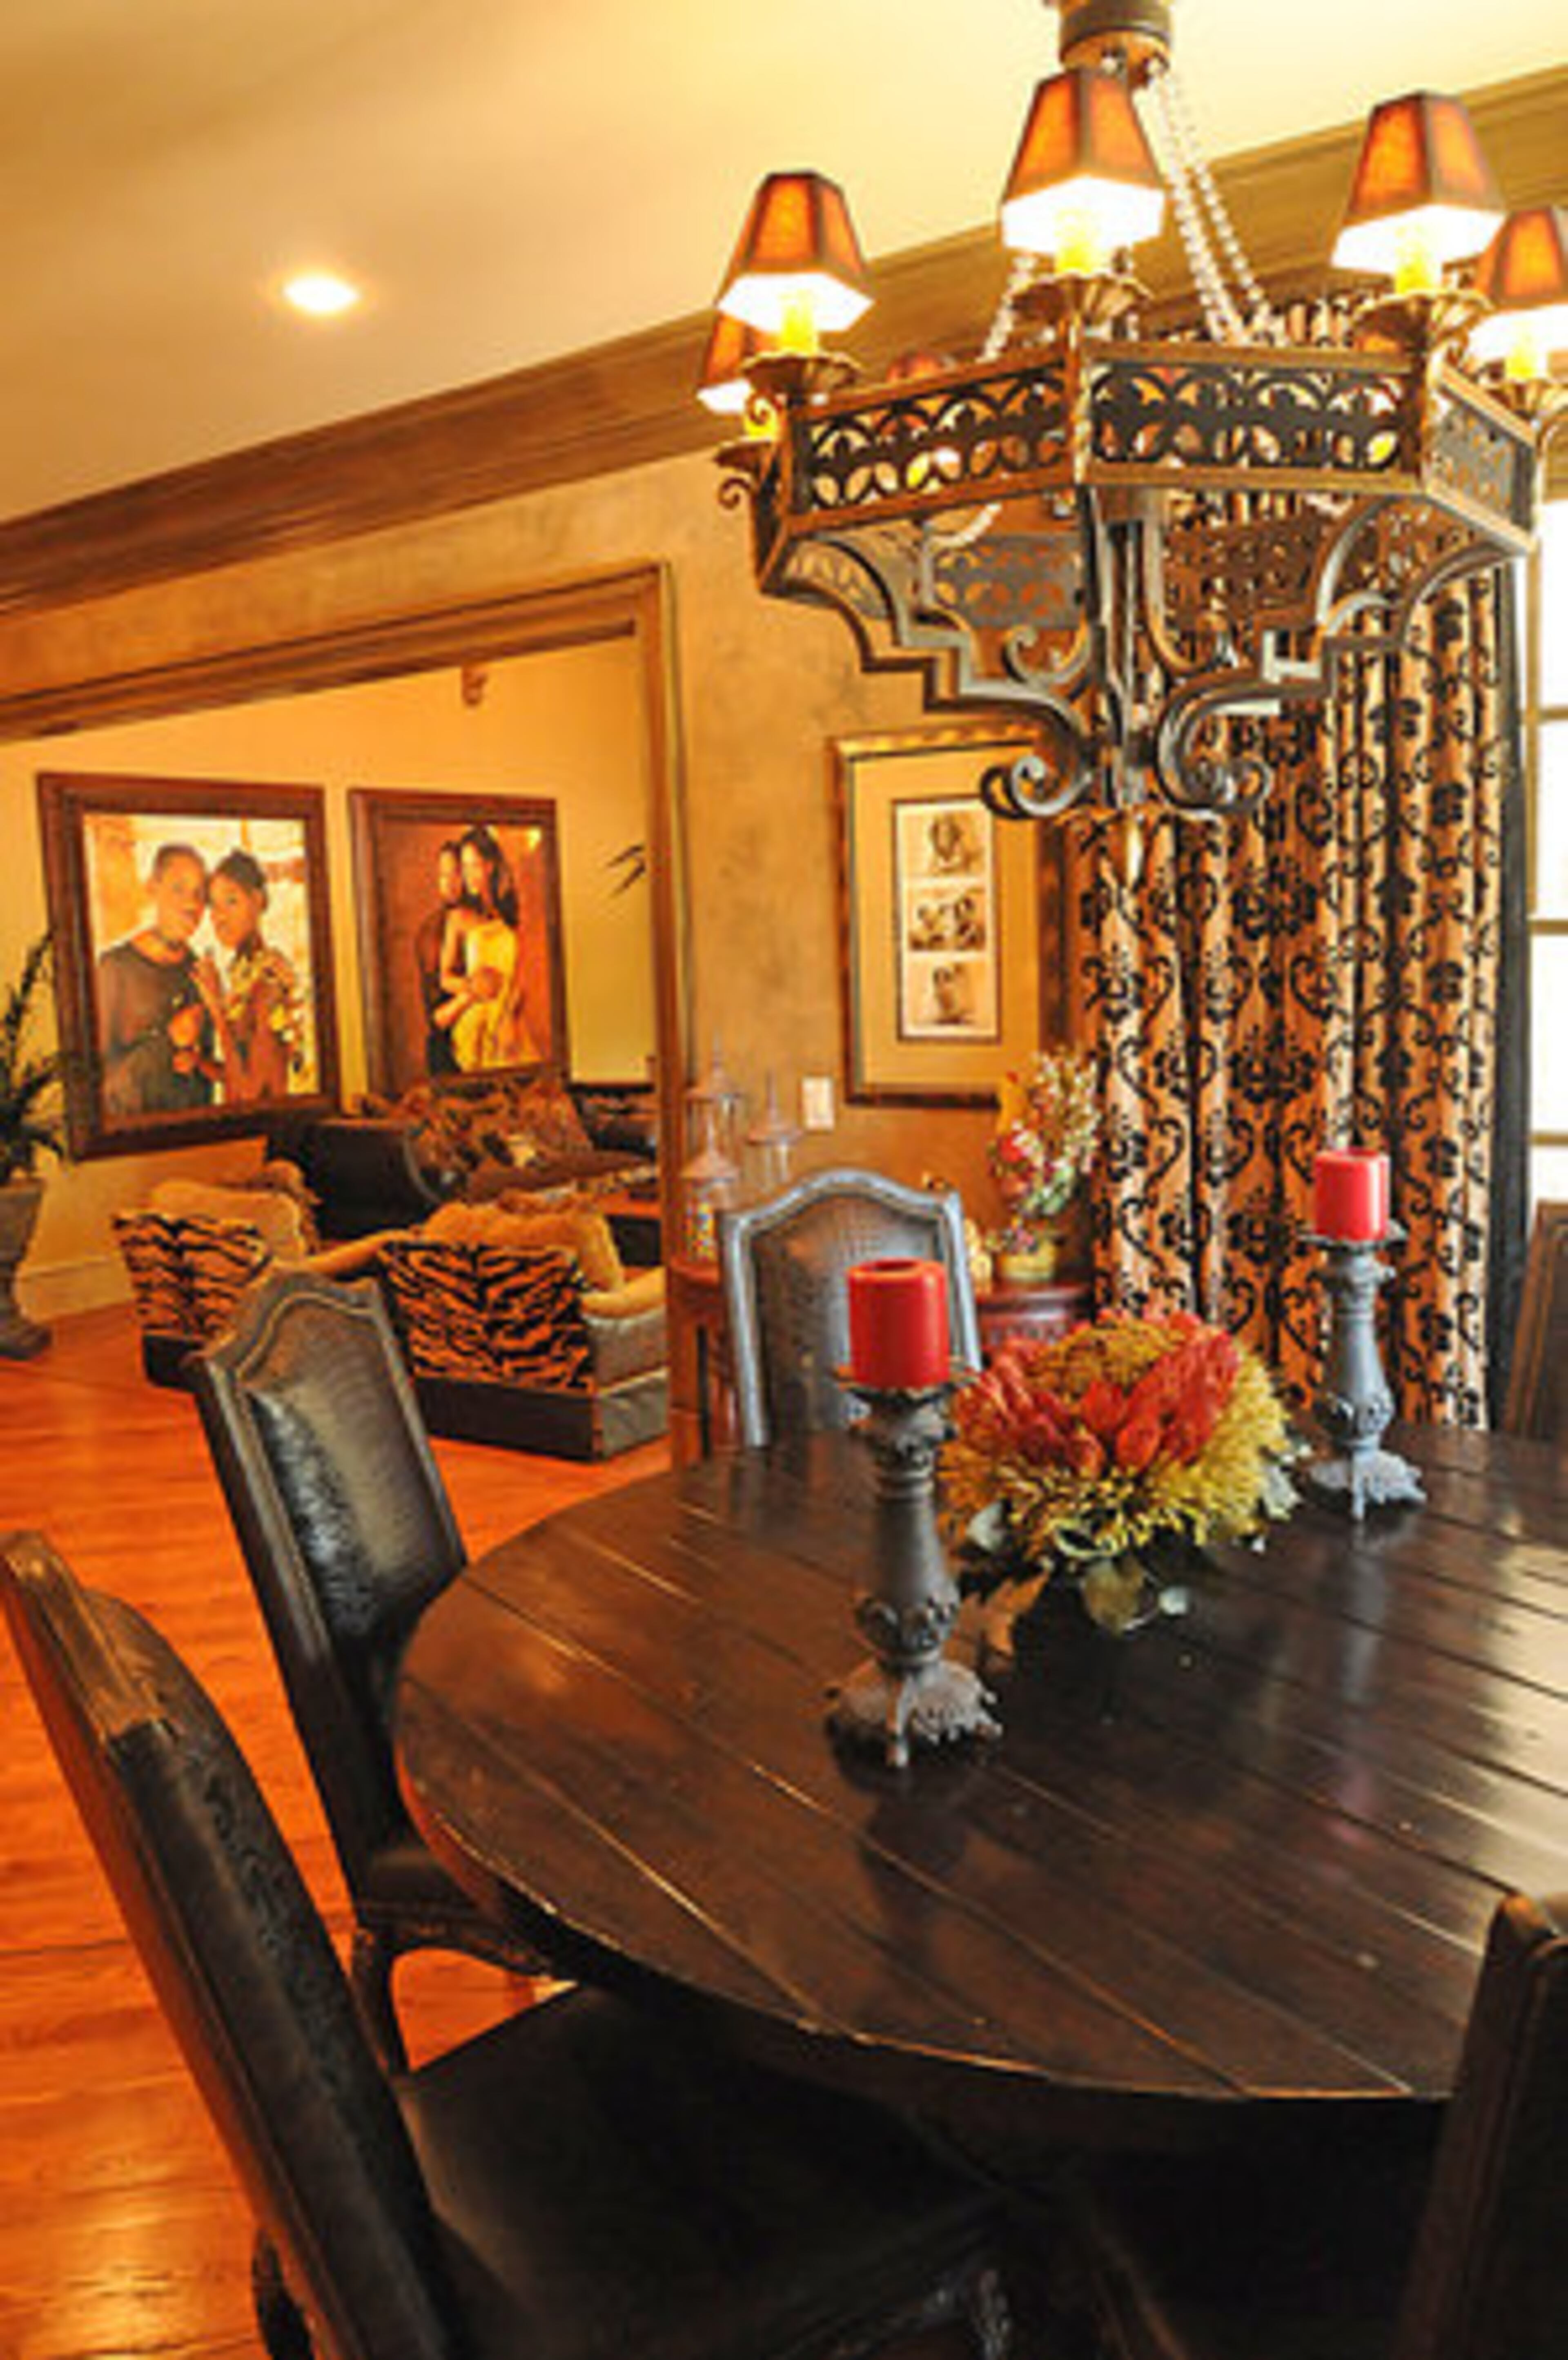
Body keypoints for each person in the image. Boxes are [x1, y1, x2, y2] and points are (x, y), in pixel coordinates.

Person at [96, 842, 214, 1117]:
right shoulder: (114, 968)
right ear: (152, 888)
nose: (192, 905)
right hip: (132, 1149)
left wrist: (197, 1064)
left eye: (200, 894)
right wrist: (168, 1041)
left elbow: (206, 1087)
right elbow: (103, 1086)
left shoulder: (199, 973)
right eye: (179, 889)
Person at [192, 847, 303, 1104]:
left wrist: (216, 1007)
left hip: (268, 1133)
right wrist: (200, 1063)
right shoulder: (244, 975)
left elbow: (250, 1093)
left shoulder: (268, 982)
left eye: (231, 902)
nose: (219, 917)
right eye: (214, 905)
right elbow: (239, 1071)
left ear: (258, 901)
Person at [434, 824, 538, 1071]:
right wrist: (473, 986)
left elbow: (519, 979)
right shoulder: (459, 917)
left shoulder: (508, 916)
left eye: (474, 866)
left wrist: (510, 1019)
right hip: (476, 1023)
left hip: (507, 1020)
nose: (468, 875)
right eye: (465, 867)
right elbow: (445, 978)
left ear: (490, 866)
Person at [413, 839, 463, 1076]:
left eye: (456, 874)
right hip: (448, 1051)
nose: (450, 884)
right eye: (444, 876)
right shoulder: (432, 931)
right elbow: (437, 1014)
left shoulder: (489, 923)